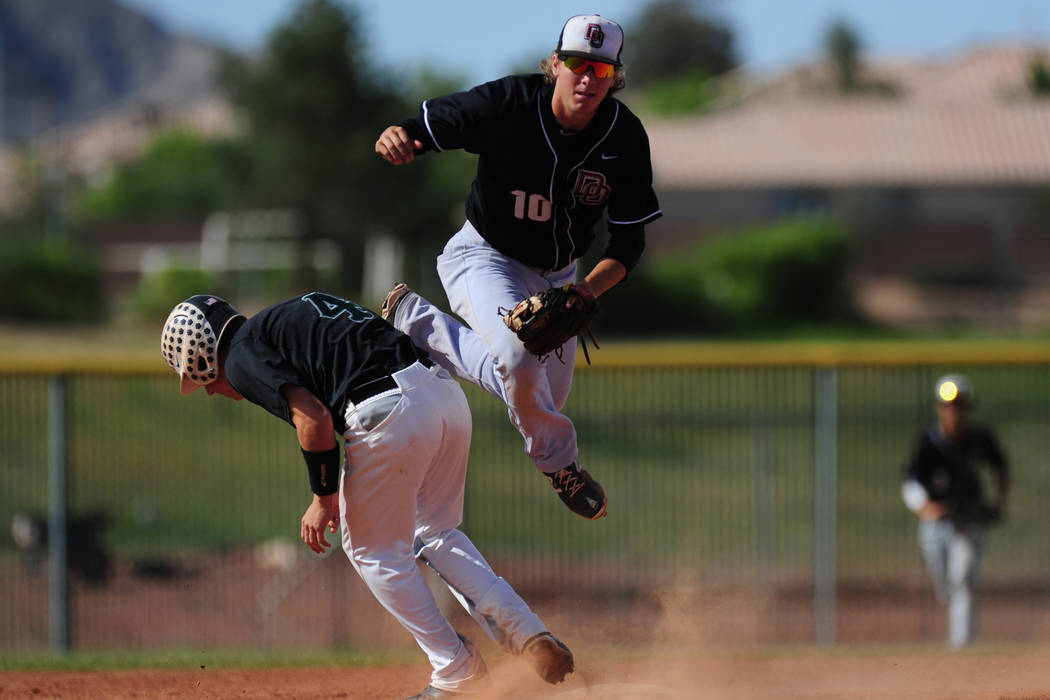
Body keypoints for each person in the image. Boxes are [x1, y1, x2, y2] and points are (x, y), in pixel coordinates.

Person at [160, 292, 574, 698]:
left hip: (389, 411)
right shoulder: (286, 315)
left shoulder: (239, 356)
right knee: (436, 532)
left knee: (372, 552)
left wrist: (323, 498)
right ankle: (527, 631)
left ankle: (456, 670)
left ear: (201, 355)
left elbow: (315, 421)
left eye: (197, 377)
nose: (209, 389)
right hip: (443, 396)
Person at [374, 14, 662, 521]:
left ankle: (417, 321)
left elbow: (629, 242)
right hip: (485, 256)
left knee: (536, 394)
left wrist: (584, 293)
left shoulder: (625, 138)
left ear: (614, 77)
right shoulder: (509, 104)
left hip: (561, 276)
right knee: (520, 360)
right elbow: (432, 124)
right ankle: (559, 463)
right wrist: (401, 135)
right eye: (577, 63)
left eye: (601, 68)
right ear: (555, 65)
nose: (588, 77)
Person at [900, 374, 1010, 648]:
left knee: (963, 580)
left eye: (960, 406)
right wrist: (924, 506)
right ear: (939, 408)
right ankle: (949, 602)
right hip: (936, 523)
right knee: (946, 586)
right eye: (948, 406)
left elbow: (1001, 468)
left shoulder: (979, 438)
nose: (954, 412)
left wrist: (999, 501)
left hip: (969, 522)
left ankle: (962, 645)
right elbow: (911, 479)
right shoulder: (929, 441)